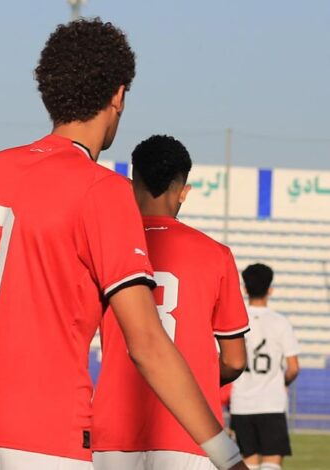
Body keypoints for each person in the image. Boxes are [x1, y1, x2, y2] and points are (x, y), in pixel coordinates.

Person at [0, 18, 248, 470]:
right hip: (47, 428)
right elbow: (147, 343)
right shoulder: (103, 190)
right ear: (118, 95)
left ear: (49, 93)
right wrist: (228, 457)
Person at [92, 135, 250, 470]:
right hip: (189, 435)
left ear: (132, 185)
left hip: (114, 431)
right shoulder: (216, 255)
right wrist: (192, 382)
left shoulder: (105, 248)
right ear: (183, 191)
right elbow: (235, 360)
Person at [230, 263, 300, 470]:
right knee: (271, 463)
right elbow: (293, 368)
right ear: (270, 290)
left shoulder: (236, 320)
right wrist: (282, 382)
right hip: (271, 403)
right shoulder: (280, 322)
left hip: (241, 404)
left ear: (245, 289)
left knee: (249, 462)